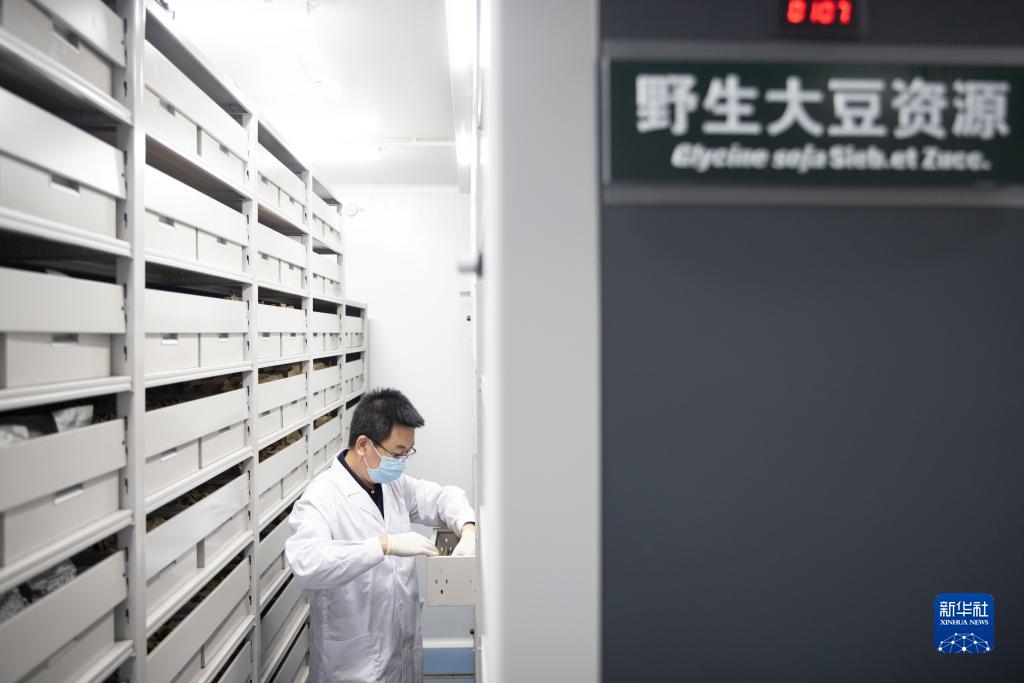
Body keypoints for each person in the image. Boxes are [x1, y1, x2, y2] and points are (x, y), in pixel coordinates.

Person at [285, 387, 476, 682]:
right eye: (397, 453)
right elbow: (308, 564)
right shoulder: (321, 498)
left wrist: (468, 529)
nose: (402, 461)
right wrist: (383, 545)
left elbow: (441, 498)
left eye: (408, 452)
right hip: (354, 666)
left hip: (402, 653)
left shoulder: (392, 485)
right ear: (363, 445)